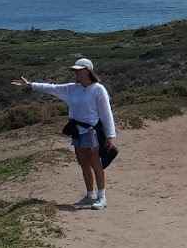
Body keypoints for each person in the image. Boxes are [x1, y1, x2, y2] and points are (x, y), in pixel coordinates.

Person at [11, 57, 117, 209]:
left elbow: (107, 114)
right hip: (76, 131)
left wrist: (110, 136)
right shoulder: (72, 88)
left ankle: (102, 197)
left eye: (78, 71)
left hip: (91, 132)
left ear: (87, 71)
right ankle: (90, 195)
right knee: (84, 164)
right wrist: (30, 85)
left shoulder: (98, 89)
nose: (75, 73)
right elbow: (52, 88)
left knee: (95, 164)